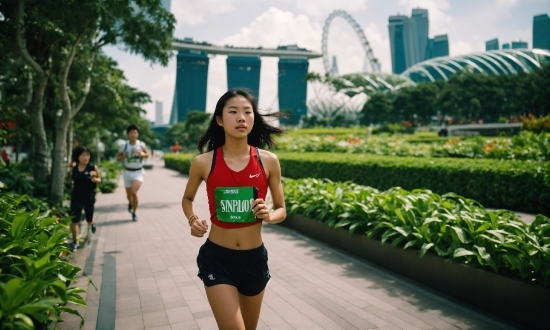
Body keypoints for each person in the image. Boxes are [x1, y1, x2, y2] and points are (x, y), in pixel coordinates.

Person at [182, 88, 287, 330]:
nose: (241, 117)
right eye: (233, 112)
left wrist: (270, 215)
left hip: (254, 259)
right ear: (219, 119)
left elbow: (281, 208)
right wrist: (192, 219)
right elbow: (188, 198)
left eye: (247, 112)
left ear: (253, 118)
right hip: (217, 259)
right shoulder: (203, 162)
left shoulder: (268, 160)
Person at [68, 146, 100, 252]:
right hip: (76, 197)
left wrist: (95, 178)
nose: (86, 157)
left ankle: (92, 222)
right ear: (78, 157)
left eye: (87, 155)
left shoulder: (92, 167)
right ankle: (75, 241)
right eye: (83, 155)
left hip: (89, 198)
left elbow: (99, 179)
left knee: (89, 219)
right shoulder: (74, 169)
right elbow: (70, 181)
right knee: (75, 220)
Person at [116, 124, 149, 221]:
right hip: (127, 172)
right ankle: (130, 203)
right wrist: (124, 156)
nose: (133, 134)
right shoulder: (124, 145)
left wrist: (141, 154)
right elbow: (118, 158)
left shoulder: (141, 144)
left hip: (138, 172)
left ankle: (134, 213)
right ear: (128, 134)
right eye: (131, 133)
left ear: (137, 134)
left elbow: (147, 154)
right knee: (129, 195)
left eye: (135, 132)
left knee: (134, 192)